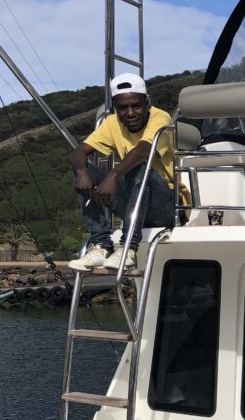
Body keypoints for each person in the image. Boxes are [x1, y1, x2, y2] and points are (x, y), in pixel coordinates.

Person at [68, 74, 182, 272]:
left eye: (136, 106)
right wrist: (80, 171)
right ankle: (101, 244)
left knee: (138, 166)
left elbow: (143, 150)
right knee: (84, 170)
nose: (130, 113)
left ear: (147, 103)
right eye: (122, 108)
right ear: (115, 108)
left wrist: (113, 175)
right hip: (133, 202)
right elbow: (79, 152)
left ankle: (128, 247)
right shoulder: (112, 122)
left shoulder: (160, 118)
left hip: (165, 205)